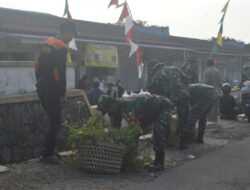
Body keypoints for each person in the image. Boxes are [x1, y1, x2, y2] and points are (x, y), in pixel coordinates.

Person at [35, 21, 77, 164]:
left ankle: (49, 151)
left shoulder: (46, 43)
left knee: (53, 120)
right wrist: (62, 95)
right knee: (56, 121)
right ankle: (47, 154)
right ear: (68, 32)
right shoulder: (61, 47)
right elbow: (60, 73)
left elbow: (37, 64)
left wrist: (38, 81)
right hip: (52, 89)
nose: (72, 38)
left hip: (41, 86)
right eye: (72, 34)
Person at [97, 94, 173, 171]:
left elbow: (135, 130)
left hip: (163, 106)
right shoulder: (114, 110)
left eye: (107, 110)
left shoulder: (128, 106)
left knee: (158, 131)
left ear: (112, 105)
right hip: (146, 113)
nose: (108, 113)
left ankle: (159, 163)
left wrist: (130, 152)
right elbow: (115, 130)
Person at [147, 60, 190, 150]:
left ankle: (166, 142)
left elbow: (153, 93)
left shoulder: (155, 76)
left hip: (168, 100)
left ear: (153, 68)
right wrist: (182, 89)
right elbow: (187, 79)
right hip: (182, 96)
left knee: (166, 120)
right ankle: (183, 143)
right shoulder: (175, 69)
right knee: (184, 120)